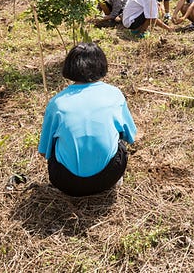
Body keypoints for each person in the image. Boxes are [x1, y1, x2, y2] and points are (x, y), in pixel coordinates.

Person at [38, 42, 136, 196]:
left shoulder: (57, 103)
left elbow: (44, 152)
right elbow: (130, 136)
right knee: (118, 136)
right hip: (108, 178)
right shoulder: (114, 94)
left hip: (66, 183)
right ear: (102, 65)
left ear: (69, 66)